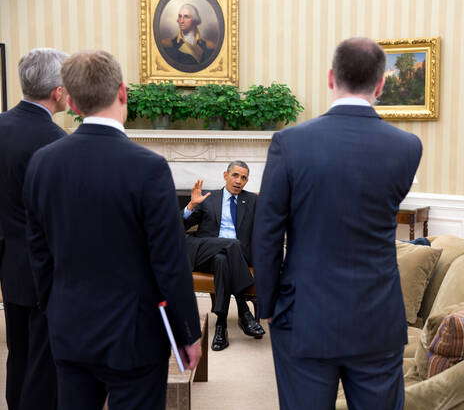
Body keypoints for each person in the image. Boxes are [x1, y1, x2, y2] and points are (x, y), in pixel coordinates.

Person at [22, 50, 202, 410]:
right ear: (123, 92)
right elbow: (169, 261)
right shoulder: (148, 167)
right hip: (134, 336)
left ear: (70, 101)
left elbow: (38, 252)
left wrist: (54, 308)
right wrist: (187, 332)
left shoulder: (42, 163)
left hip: (69, 326)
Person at [253, 37, 422, 410]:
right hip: (377, 316)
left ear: (331, 78)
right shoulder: (408, 147)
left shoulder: (289, 143)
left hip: (304, 314)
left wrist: (266, 304)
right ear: (380, 85)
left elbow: (267, 232)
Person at [0, 48, 68, 410]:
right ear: (58, 92)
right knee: (44, 362)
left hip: (9, 262)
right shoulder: (57, 143)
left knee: (18, 351)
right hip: (45, 267)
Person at [182, 161, 265, 351]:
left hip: (234, 259)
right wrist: (191, 206)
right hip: (205, 254)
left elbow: (267, 229)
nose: (239, 181)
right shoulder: (209, 199)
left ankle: (221, 325)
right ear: (225, 175)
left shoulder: (252, 201)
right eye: (235, 175)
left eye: (243, 177)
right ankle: (244, 312)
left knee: (223, 259)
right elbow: (180, 227)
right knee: (231, 244)